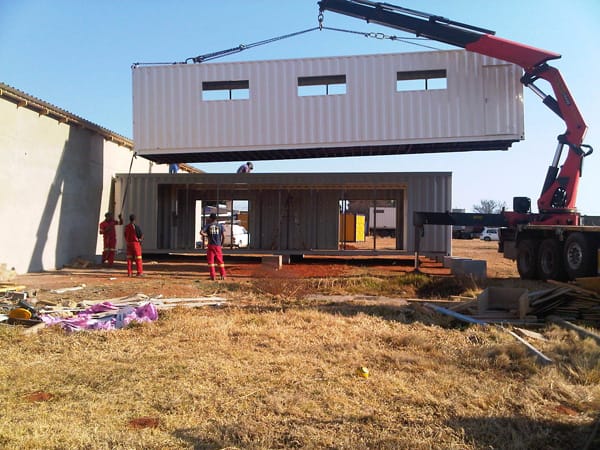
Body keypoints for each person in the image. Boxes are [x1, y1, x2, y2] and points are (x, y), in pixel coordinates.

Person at [200, 213, 227, 280]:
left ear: (211, 218)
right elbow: (224, 236)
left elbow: (201, 232)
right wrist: (221, 245)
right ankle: (223, 275)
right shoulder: (220, 226)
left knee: (211, 261)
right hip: (218, 246)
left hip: (211, 245)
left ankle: (213, 276)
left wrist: (206, 235)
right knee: (220, 261)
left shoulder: (208, 225)